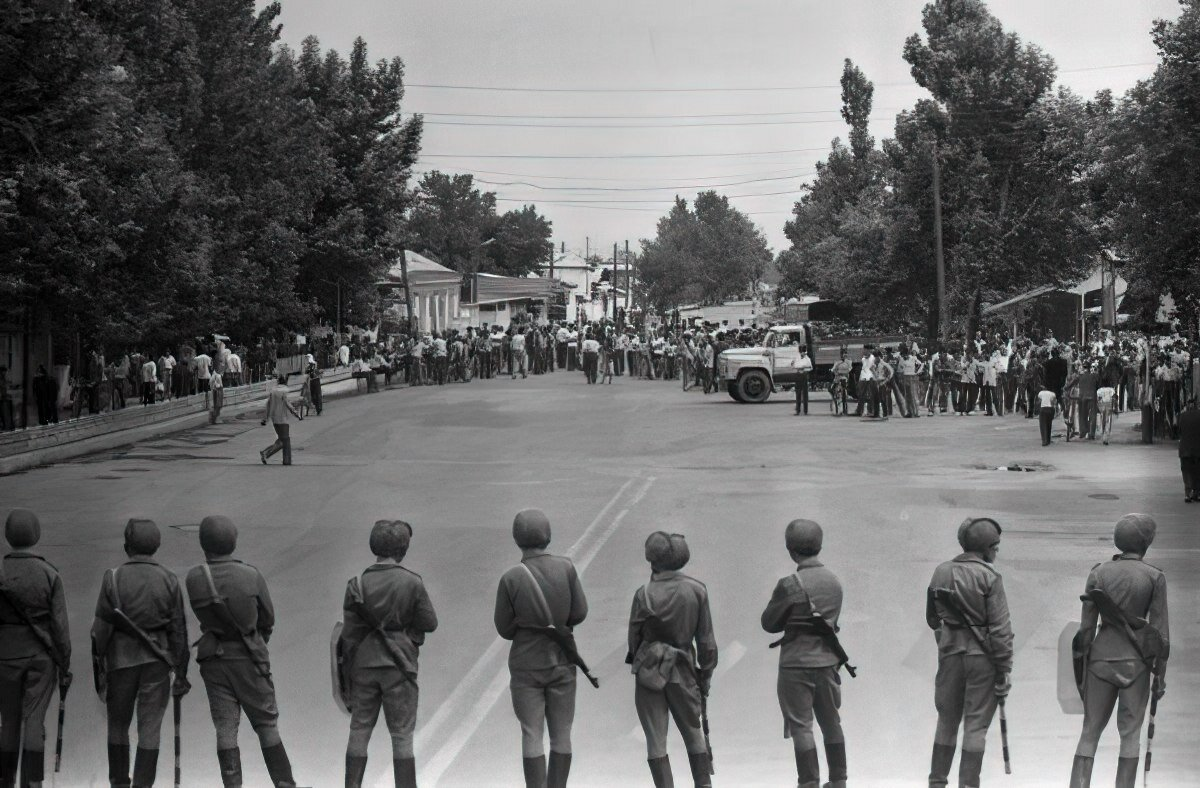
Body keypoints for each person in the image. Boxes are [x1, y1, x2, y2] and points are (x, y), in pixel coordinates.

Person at [186, 516, 299, 787]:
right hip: (249, 658)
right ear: (234, 542)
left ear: (203, 544)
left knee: (225, 729)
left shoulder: (195, 578)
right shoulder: (250, 575)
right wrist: (255, 642)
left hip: (213, 658)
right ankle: (284, 784)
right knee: (267, 725)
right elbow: (268, 619)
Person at [1069, 514, 1169, 788]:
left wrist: (1081, 667)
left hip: (1101, 658)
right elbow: (1160, 635)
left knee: (1089, 732)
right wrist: (1160, 674)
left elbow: (1086, 631)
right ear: (1146, 543)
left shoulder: (1098, 573)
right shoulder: (1154, 577)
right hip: (1136, 664)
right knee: (1130, 736)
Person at [92, 518, 190, 788]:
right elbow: (178, 631)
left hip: (120, 661)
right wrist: (181, 671)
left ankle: (119, 782)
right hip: (157, 664)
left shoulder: (112, 577)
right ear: (156, 545)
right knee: (150, 729)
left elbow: (100, 630)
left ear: (127, 545)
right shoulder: (169, 578)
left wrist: (99, 667)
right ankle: (143, 785)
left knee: (117, 725)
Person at [340, 520, 438, 788]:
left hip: (363, 665)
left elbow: (348, 635)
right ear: (403, 548)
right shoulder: (411, 582)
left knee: (359, 729)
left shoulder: (356, 585)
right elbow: (430, 622)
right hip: (399, 664)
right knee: (402, 735)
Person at [494, 510, 588, 788]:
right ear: (548, 536)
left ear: (516, 539)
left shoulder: (511, 578)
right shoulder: (567, 568)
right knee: (562, 734)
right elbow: (580, 612)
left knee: (531, 733)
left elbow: (504, 628)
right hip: (561, 662)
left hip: (526, 666)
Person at [926, 517, 1013, 788]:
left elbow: (932, 619)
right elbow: (1000, 629)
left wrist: (947, 639)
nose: (996, 552)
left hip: (950, 655)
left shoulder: (941, 571)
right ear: (986, 547)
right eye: (995, 547)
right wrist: (1004, 668)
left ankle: (937, 782)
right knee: (976, 727)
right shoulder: (990, 577)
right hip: (983, 660)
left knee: (946, 721)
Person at [760, 520, 847, 788]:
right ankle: (839, 781)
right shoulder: (834, 581)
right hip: (828, 662)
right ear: (820, 546)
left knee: (801, 727)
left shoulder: (789, 584)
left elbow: (769, 623)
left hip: (795, 665)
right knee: (832, 722)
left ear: (790, 550)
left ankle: (809, 782)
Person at [627, 533, 715, 788]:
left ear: (651, 560)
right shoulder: (697, 590)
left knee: (656, 741)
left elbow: (634, 639)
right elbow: (707, 641)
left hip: (651, 672)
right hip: (685, 670)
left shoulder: (643, 594)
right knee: (693, 732)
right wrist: (705, 674)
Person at [0, 509, 71, 788]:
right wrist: (64, 663)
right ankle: (33, 783)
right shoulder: (49, 574)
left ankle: (5, 780)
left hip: (4, 656)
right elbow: (60, 627)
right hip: (41, 657)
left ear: (7, 536)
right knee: (34, 720)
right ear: (36, 535)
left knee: (8, 721)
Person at [259, 376, 302, 466]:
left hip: (275, 419)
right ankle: (267, 453)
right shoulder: (285, 391)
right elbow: (288, 403)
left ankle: (283, 459)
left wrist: (265, 418)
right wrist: (296, 413)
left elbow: (268, 405)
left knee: (282, 439)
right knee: (285, 440)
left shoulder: (273, 391)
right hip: (283, 419)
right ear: (285, 382)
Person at [1178, 398, 1200, 502]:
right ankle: (1197, 493)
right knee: (1197, 471)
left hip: (1185, 449)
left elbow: (1179, 431)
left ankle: (1188, 493)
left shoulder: (1182, 416)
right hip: (1198, 449)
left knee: (1186, 471)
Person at [792, 349, 813, 415]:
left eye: (803, 352)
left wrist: (804, 367)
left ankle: (805, 411)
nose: (802, 353)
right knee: (798, 394)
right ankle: (798, 411)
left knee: (805, 394)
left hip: (804, 375)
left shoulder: (807, 359)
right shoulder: (797, 358)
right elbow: (794, 366)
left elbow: (810, 367)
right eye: (801, 352)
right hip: (798, 375)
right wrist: (797, 366)